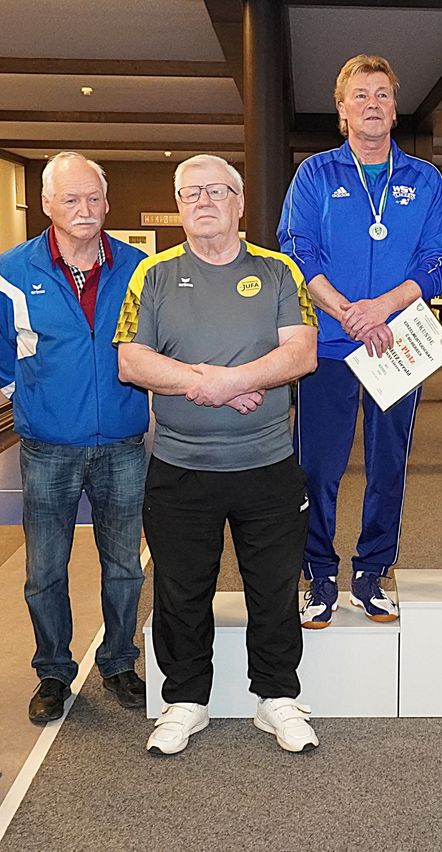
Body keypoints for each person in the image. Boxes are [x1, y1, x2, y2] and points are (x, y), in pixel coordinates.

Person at [116, 154, 319, 754]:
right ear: (179, 207)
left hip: (267, 466)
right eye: (189, 193)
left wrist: (222, 384)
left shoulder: (279, 270)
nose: (202, 201)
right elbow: (132, 361)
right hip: (180, 470)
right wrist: (204, 381)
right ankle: (184, 700)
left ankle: (278, 697)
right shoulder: (151, 275)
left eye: (215, 191)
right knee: (180, 589)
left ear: (239, 201)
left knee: (275, 586)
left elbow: (300, 353)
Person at [278, 55, 442, 628]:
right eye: (360, 95)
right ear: (342, 109)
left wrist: (381, 309)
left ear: (394, 107)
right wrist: (350, 312)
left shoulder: (425, 179)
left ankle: (374, 570)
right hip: (329, 341)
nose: (372, 104)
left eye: (382, 94)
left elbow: (437, 261)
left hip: (397, 341)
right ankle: (319, 574)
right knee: (318, 466)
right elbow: (298, 251)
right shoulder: (316, 175)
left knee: (389, 464)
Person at [0, 152, 149, 723]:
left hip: (122, 445)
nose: (84, 210)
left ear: (107, 203)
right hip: (47, 449)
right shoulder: (12, 270)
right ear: (46, 205)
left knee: (124, 566)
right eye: (70, 199)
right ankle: (54, 672)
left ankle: (117, 663)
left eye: (93, 198)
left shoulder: (138, 268)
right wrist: (27, 397)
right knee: (44, 570)